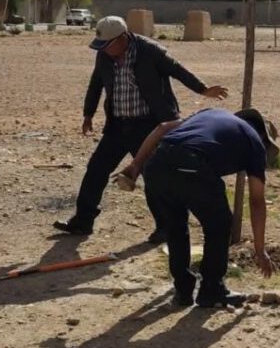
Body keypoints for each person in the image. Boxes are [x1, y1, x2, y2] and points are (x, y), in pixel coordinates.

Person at [53, 16, 228, 239]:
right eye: (101, 47)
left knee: (154, 175)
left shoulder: (150, 51)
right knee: (96, 169)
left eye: (107, 45)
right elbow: (96, 83)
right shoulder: (104, 56)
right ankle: (82, 221)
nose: (104, 50)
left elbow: (178, 70)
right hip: (117, 125)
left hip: (149, 125)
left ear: (123, 38)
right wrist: (88, 113)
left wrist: (202, 89)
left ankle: (165, 227)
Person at [116, 108, 279, 308]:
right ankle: (212, 290)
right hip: (191, 163)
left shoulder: (211, 115)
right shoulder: (254, 141)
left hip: (157, 165)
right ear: (263, 136)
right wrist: (260, 250)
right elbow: (256, 200)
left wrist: (135, 165)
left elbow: (162, 128)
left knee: (176, 227)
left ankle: (183, 291)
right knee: (219, 224)